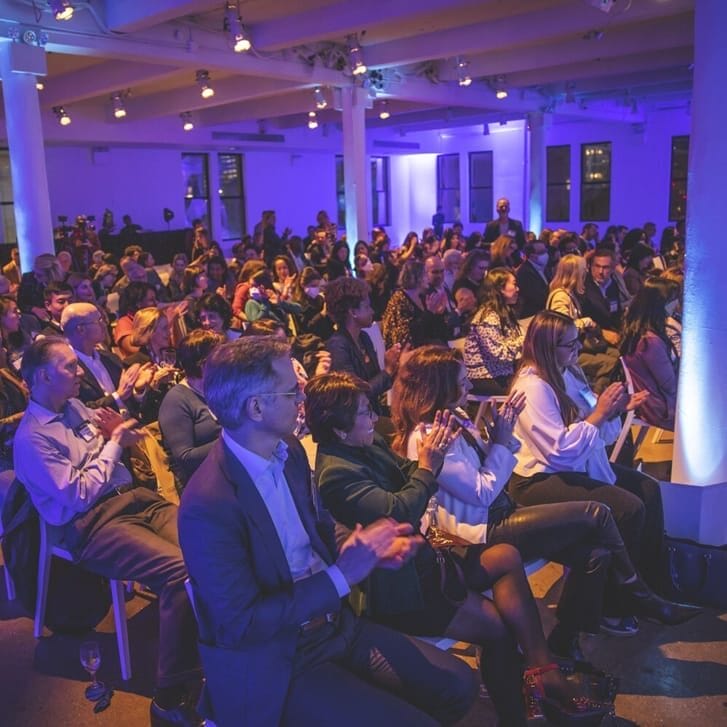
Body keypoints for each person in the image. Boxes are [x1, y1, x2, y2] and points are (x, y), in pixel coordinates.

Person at [178, 337, 477, 727]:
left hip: (334, 624)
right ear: (256, 407)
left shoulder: (288, 450)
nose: (302, 397)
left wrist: (356, 548)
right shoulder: (207, 504)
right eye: (291, 390)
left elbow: (318, 524)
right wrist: (342, 575)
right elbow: (242, 623)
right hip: (282, 658)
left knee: (458, 685)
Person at [308, 372, 612, 726]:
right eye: (364, 413)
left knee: (506, 555)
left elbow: (410, 481)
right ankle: (522, 708)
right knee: (499, 628)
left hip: (427, 560)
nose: (374, 418)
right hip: (398, 589)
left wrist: (424, 472)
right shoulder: (336, 473)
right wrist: (426, 468)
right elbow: (401, 509)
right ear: (339, 430)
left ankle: (542, 673)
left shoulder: (365, 442)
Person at [391, 345, 690, 661]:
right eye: (462, 381)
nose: (469, 387)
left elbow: (495, 469)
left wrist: (500, 440)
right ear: (440, 386)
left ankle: (566, 639)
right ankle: (641, 594)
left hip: (502, 511)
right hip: (481, 531)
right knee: (598, 513)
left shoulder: (456, 416)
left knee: (596, 553)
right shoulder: (429, 437)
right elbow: (482, 492)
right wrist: (502, 443)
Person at [14, 337, 202, 726]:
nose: (80, 370)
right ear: (44, 376)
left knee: (210, 548)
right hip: (93, 524)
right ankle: (168, 695)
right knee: (180, 571)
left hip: (137, 498)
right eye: (71, 367)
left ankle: (220, 651)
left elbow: (102, 452)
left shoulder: (75, 407)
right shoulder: (32, 439)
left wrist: (119, 433)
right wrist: (113, 443)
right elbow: (80, 494)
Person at [506, 311, 702, 627]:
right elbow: (559, 451)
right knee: (627, 509)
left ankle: (651, 585)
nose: (577, 350)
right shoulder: (533, 387)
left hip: (570, 465)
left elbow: (592, 430)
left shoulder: (564, 373)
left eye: (575, 342)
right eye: (569, 345)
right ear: (546, 347)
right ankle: (614, 603)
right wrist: (600, 414)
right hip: (537, 479)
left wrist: (615, 411)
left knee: (648, 489)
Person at [324, 277, 401, 416]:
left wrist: (393, 365)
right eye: (367, 306)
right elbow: (356, 395)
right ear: (353, 312)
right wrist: (388, 371)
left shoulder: (363, 337)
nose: (372, 311)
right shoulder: (337, 347)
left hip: (372, 412)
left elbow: (375, 384)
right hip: (355, 419)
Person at [158, 330, 224, 489]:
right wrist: (232, 441)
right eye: (220, 357)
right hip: (201, 483)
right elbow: (185, 458)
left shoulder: (218, 388)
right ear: (202, 365)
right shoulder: (176, 401)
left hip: (226, 470)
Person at [620, 277, 680, 430]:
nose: (677, 303)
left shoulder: (636, 331)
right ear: (660, 305)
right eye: (673, 299)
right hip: (663, 409)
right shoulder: (650, 342)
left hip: (652, 403)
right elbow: (670, 386)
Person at [464, 268, 523, 395]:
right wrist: (523, 341)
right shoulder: (487, 318)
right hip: (485, 378)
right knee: (528, 390)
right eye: (514, 284)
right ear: (501, 288)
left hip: (503, 374)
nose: (518, 289)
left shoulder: (505, 314)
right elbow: (500, 355)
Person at [382, 260, 445, 349]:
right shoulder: (399, 299)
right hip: (408, 351)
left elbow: (432, 329)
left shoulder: (422, 296)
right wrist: (429, 313)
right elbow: (407, 336)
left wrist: (437, 314)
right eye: (425, 275)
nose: (428, 278)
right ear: (417, 277)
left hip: (426, 345)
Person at [516, 240, 551, 319]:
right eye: (541, 252)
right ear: (532, 255)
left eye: (545, 250)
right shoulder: (525, 272)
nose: (545, 254)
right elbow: (536, 297)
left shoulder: (543, 268)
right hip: (532, 316)